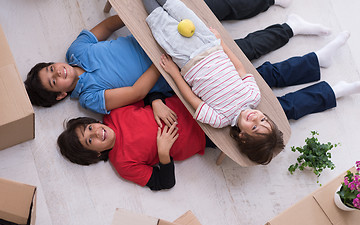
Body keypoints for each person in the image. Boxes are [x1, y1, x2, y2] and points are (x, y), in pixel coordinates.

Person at [24, 1, 329, 122]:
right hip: (175, 66)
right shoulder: (89, 98)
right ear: (62, 93)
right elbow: (135, 94)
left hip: (155, 32)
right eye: (55, 80)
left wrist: (134, 18)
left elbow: (103, 29)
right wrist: (160, 63)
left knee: (213, 9)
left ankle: (266, 1)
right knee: (243, 50)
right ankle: (290, 28)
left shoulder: (75, 52)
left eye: (51, 68)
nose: (59, 71)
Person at [142, 0, 359, 164]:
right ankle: (317, 59)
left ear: (243, 136)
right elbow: (240, 67)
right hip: (212, 47)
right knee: (271, 72)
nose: (258, 117)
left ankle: (330, 85)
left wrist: (173, 72)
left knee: (158, 18)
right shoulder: (253, 97)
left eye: (255, 125)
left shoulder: (220, 120)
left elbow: (190, 97)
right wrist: (222, 44)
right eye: (264, 120)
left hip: (187, 58)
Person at [57, 95, 216, 191]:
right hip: (207, 134)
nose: (97, 132)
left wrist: (155, 101)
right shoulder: (123, 164)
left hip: (191, 99)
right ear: (96, 154)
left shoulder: (114, 112)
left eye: (90, 127)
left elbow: (146, 93)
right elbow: (164, 183)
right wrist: (163, 153)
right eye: (90, 140)